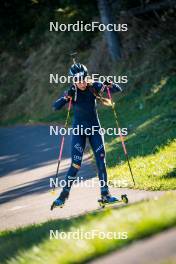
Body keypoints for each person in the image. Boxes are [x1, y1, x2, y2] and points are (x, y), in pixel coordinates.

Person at [51, 63, 122, 208]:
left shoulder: (94, 86)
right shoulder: (72, 91)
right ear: (73, 81)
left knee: (101, 160)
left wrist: (109, 84)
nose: (81, 83)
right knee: (75, 165)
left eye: (83, 79)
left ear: (87, 77)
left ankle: (105, 195)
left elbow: (118, 89)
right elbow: (55, 106)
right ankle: (63, 196)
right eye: (78, 81)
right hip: (79, 132)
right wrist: (66, 97)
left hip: (95, 129)